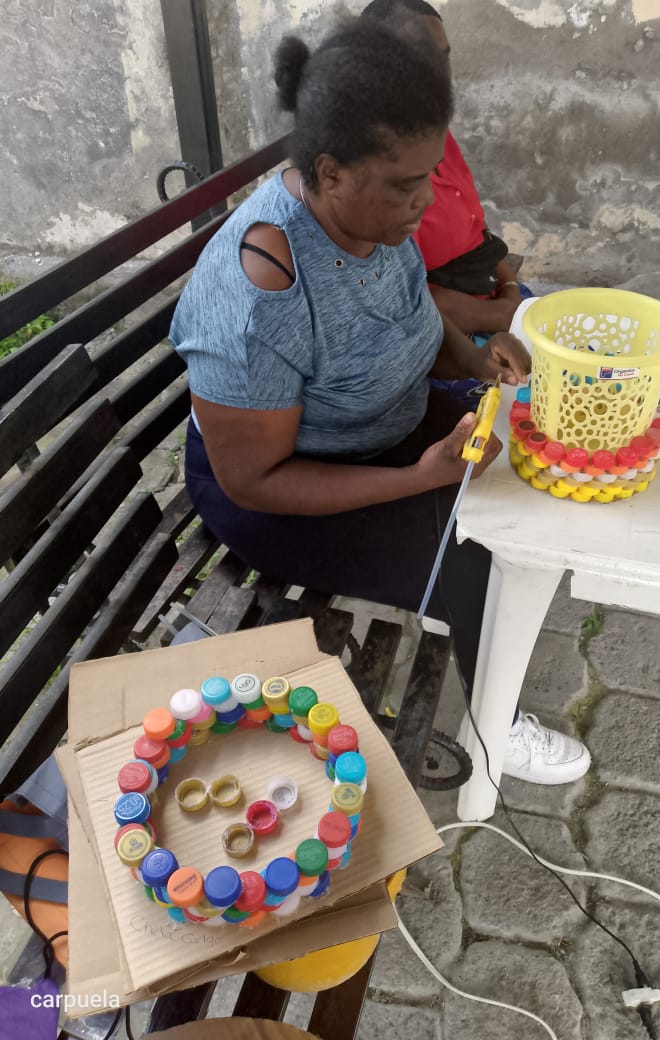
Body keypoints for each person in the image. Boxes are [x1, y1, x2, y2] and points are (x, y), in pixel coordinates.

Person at [169, 18, 589, 785]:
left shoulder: (370, 218)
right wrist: (416, 479)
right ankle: (494, 728)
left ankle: (490, 661)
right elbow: (254, 479)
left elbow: (413, 316)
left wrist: (476, 361)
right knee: (477, 553)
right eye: (405, 184)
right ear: (330, 173)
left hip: (380, 430)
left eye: (429, 175)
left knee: (531, 476)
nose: (425, 201)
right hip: (278, 498)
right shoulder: (262, 290)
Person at [362, 0, 531, 405]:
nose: (438, 75)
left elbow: (478, 235)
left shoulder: (436, 135)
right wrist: (504, 313)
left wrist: (510, 289)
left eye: (443, 58)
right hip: (451, 335)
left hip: (493, 305)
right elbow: (404, 301)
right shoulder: (372, 172)